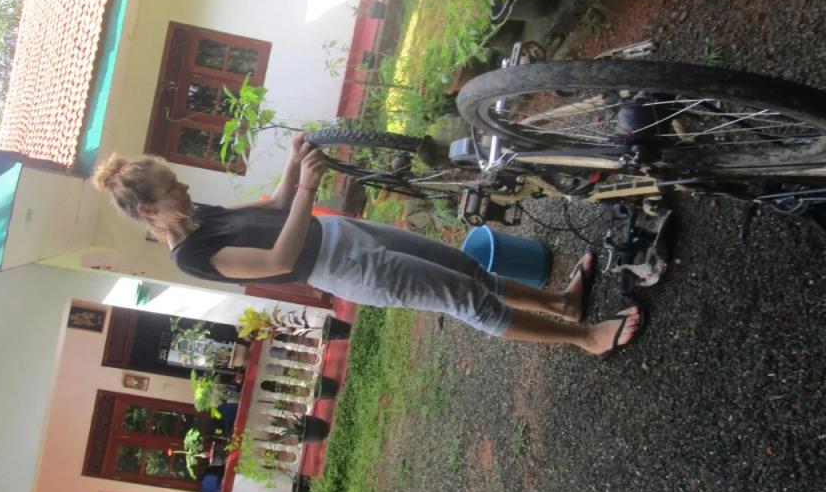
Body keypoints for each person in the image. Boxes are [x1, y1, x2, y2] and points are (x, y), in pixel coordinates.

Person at [92, 135, 641, 357]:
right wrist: (309, 189)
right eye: (172, 189)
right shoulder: (191, 256)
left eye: (177, 180)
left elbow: (275, 208)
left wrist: (293, 165)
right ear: (149, 212)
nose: (184, 188)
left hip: (343, 234)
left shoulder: (199, 216)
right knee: (465, 299)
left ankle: (562, 304)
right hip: (345, 269)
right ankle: (586, 338)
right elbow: (279, 260)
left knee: (468, 269)